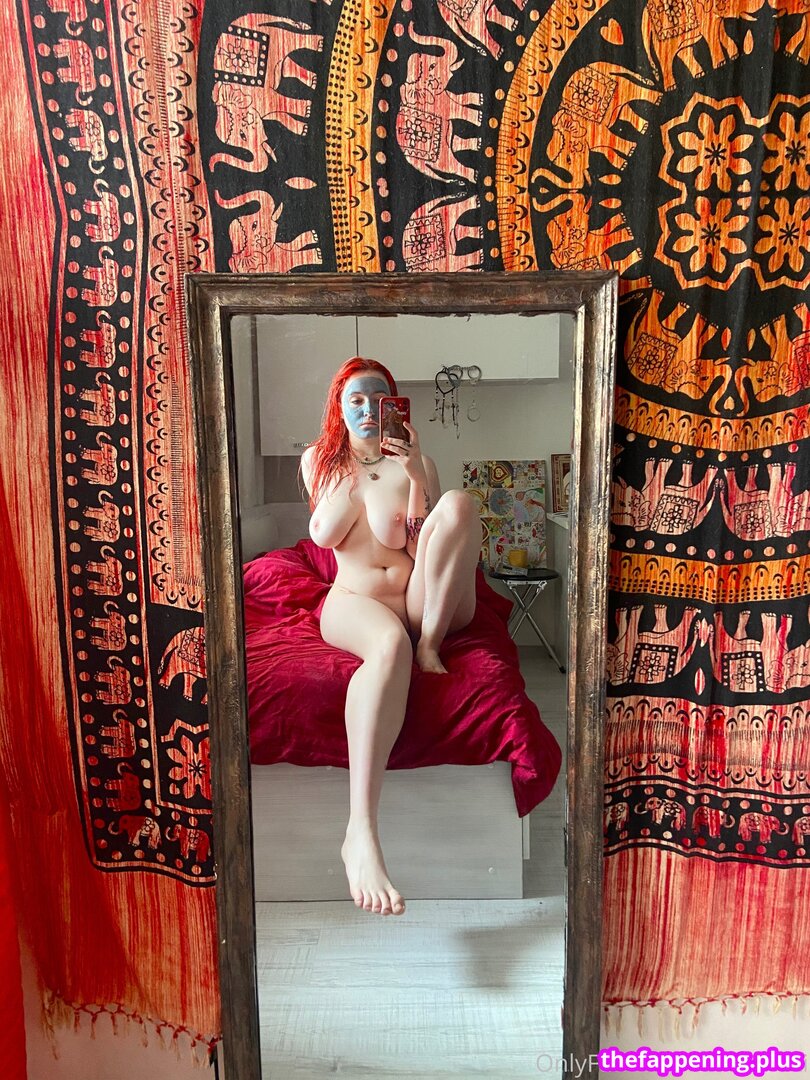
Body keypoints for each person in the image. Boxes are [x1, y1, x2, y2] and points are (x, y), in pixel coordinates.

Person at [300, 357, 481, 917]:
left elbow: (419, 547)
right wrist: (356, 466)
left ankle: (430, 642)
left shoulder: (416, 462)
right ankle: (361, 832)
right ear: (338, 407)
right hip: (354, 601)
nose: (367, 409)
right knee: (388, 646)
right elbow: (322, 531)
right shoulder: (319, 459)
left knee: (460, 502)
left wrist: (417, 477)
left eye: (378, 399)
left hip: (420, 599)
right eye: (354, 399)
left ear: (394, 405)